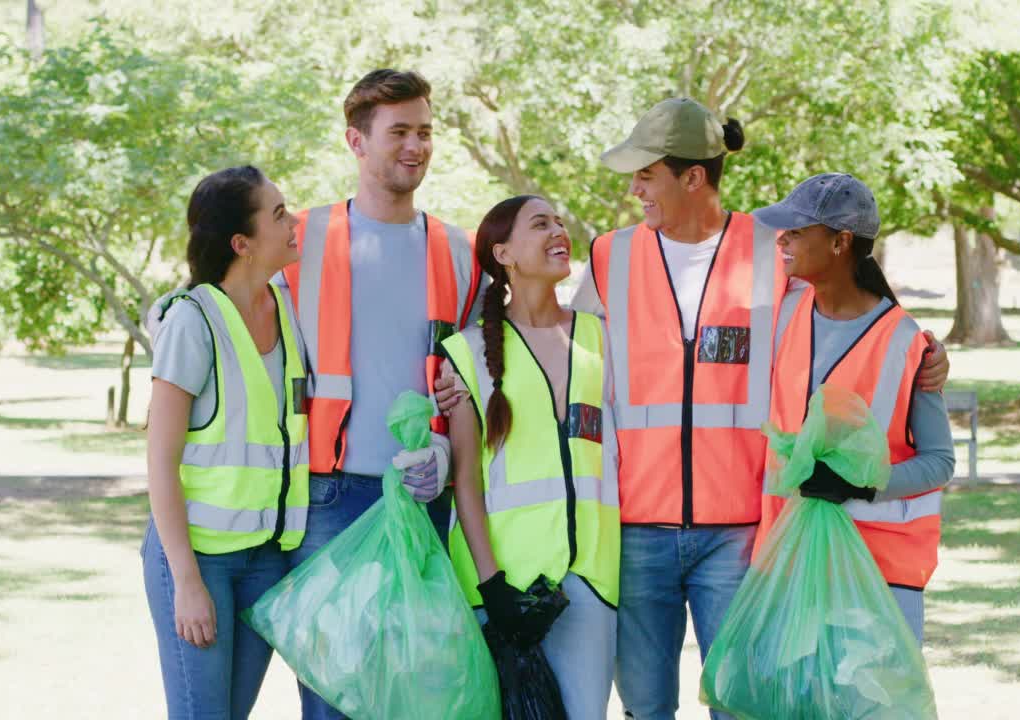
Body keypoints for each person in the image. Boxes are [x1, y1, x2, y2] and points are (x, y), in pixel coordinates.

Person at [571, 98, 951, 720]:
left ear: (693, 176)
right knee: (643, 706)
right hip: (636, 528)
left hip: (747, 533)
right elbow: (562, 352)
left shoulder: (776, 250)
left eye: (646, 173)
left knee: (749, 703)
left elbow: (856, 312)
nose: (634, 187)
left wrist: (928, 360)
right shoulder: (610, 256)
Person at [274, 69, 482, 720]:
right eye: (398, 133)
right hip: (328, 501)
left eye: (424, 132)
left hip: (422, 500)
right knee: (336, 698)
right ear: (355, 142)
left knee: (417, 697)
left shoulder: (460, 250)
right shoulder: (296, 241)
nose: (415, 146)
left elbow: (473, 381)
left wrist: (447, 459)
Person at [753, 173, 955, 644]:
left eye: (798, 231)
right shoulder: (785, 316)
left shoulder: (906, 342)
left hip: (877, 574)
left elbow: (940, 462)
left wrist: (859, 484)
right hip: (789, 562)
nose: (782, 240)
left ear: (841, 242)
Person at [439, 195, 620, 718]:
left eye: (560, 221)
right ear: (504, 253)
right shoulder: (467, 352)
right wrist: (492, 587)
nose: (558, 231)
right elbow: (466, 484)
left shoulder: (600, 337)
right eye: (540, 225)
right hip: (503, 586)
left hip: (589, 578)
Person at [142, 165, 309, 719]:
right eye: (279, 214)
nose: (293, 223)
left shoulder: (286, 309)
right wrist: (186, 583)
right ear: (242, 243)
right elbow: (160, 464)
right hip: (198, 561)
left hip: (264, 560)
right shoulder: (192, 321)